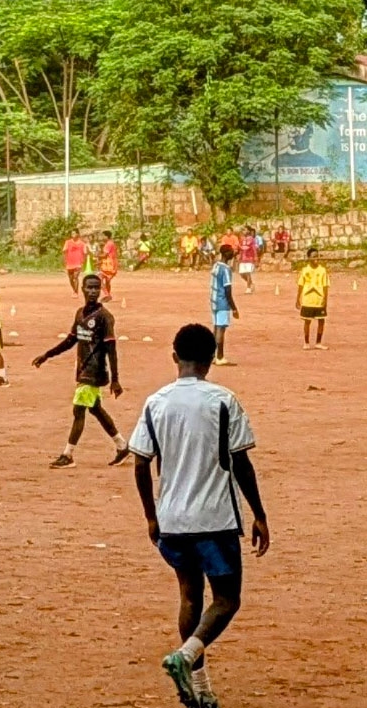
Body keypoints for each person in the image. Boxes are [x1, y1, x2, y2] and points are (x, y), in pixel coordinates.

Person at [130, 323, 269, 708]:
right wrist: (259, 514)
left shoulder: (156, 402)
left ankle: (201, 688)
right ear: (211, 360)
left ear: (174, 356)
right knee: (226, 599)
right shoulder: (223, 400)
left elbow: (140, 462)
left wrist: (151, 515)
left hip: (172, 518)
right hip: (215, 518)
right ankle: (186, 656)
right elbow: (241, 462)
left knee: (190, 594)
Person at [32, 274, 130, 469]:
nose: (93, 291)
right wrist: (47, 355)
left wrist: (115, 379)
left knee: (78, 410)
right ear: (82, 289)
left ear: (100, 290)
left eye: (96, 288)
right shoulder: (80, 314)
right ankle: (121, 445)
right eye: (89, 288)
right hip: (83, 369)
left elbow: (112, 350)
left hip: (94, 372)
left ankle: (68, 454)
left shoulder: (105, 317)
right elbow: (70, 340)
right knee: (95, 409)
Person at [210, 244, 239, 366]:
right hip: (222, 302)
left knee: (216, 327)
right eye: (231, 251)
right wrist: (234, 308)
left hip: (214, 300)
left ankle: (211, 356)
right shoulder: (226, 270)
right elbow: (228, 290)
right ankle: (220, 357)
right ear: (226, 253)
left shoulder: (216, 266)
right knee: (221, 329)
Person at [296, 247, 329, 350]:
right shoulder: (305, 270)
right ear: (309, 258)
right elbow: (300, 285)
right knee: (307, 321)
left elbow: (325, 286)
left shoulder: (323, 270)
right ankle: (306, 342)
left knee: (321, 321)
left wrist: (325, 300)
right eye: (314, 256)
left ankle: (318, 343)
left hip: (319, 300)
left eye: (317, 256)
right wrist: (298, 298)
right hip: (308, 300)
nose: (317, 258)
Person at [62, 229, 87, 295]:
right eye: (72, 234)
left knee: (75, 277)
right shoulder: (68, 242)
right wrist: (65, 261)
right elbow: (64, 252)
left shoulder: (82, 244)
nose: (72, 235)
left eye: (74, 233)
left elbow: (85, 253)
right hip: (70, 263)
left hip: (78, 263)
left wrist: (83, 262)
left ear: (78, 234)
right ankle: (74, 290)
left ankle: (76, 292)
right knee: (71, 279)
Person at [99, 229, 119, 301]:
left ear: (107, 236)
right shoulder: (111, 243)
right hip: (111, 265)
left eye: (103, 236)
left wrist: (96, 256)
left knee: (99, 279)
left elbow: (104, 255)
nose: (102, 237)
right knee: (107, 281)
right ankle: (108, 295)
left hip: (109, 266)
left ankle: (107, 295)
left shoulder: (108, 244)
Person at [238, 226, 258, 294]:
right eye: (243, 230)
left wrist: (256, 257)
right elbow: (241, 249)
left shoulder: (252, 239)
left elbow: (254, 249)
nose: (243, 231)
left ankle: (248, 288)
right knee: (241, 274)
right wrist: (240, 257)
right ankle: (251, 283)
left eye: (245, 230)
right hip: (243, 258)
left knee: (248, 273)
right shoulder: (242, 239)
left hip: (249, 258)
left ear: (248, 231)